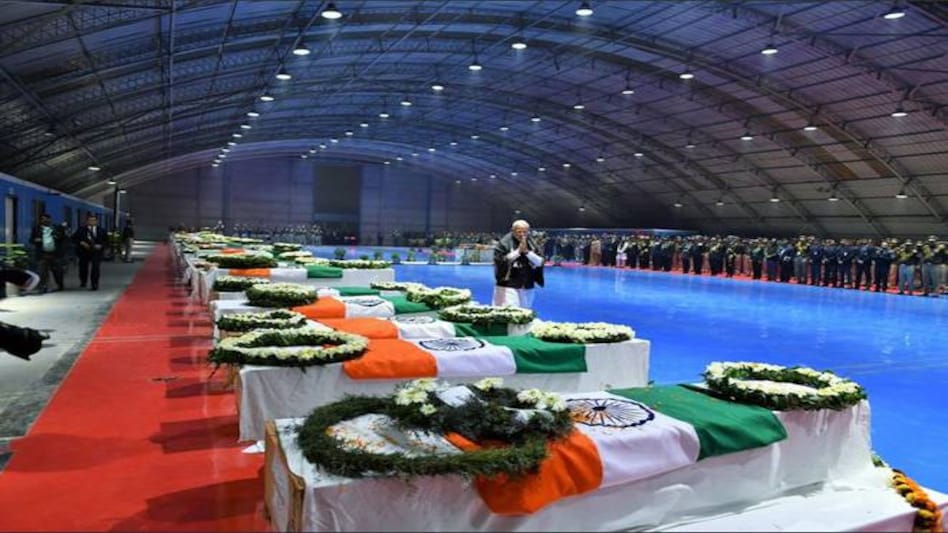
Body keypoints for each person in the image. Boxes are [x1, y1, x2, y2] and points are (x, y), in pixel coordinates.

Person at [492, 219, 545, 309]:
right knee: (509, 311)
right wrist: (518, 252)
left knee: (525, 312)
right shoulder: (503, 244)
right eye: (519, 232)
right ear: (512, 231)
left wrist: (527, 252)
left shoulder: (532, 244)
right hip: (508, 285)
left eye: (525, 232)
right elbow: (500, 261)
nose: (522, 234)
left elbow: (540, 262)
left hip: (527, 284)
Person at [28, 213, 66, 293]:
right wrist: (36, 240)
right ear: (40, 220)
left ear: (50, 219)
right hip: (42, 254)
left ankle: (60, 285)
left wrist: (57, 235)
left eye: (47, 219)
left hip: (55, 254)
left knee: (58, 271)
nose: (45, 221)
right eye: (43, 219)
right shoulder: (36, 229)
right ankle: (42, 287)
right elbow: (31, 240)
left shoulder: (56, 228)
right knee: (42, 271)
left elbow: (63, 239)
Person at [72, 214, 107, 290]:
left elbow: (106, 241)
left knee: (95, 268)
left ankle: (94, 284)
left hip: (96, 252)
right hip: (84, 251)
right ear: (87, 221)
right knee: (83, 267)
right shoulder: (81, 230)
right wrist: (81, 242)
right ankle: (83, 281)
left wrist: (101, 245)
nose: (92, 222)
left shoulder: (101, 230)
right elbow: (74, 238)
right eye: (90, 220)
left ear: (96, 221)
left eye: (93, 220)